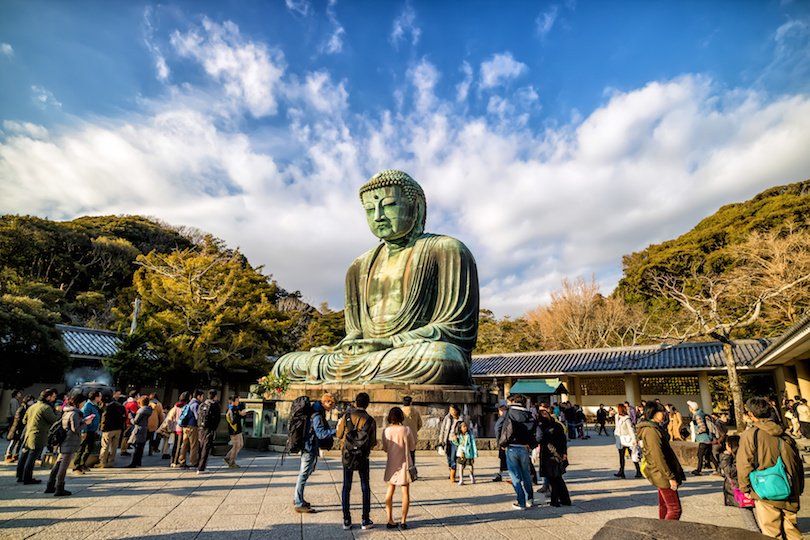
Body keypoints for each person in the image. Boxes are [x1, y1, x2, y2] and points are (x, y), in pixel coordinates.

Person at [272, 170, 480, 386]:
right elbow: (356, 331)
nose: (378, 216)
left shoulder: (447, 250)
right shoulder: (358, 266)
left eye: (389, 205)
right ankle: (362, 375)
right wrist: (348, 344)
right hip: (370, 357)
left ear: (416, 207)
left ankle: (366, 375)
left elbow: (456, 328)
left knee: (440, 359)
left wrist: (389, 342)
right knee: (285, 364)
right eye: (370, 209)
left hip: (412, 352)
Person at [737, 396, 804, 539]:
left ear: (751, 414)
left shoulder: (750, 435)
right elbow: (797, 463)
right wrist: (799, 487)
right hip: (790, 487)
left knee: (771, 533)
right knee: (792, 530)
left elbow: (744, 464)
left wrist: (745, 488)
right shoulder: (784, 434)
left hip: (765, 490)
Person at [636, 401, 684, 521]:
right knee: (675, 509)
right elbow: (658, 456)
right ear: (653, 413)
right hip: (662, 473)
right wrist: (670, 477)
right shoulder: (652, 431)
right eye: (661, 412)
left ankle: (661, 530)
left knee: (665, 506)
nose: (664, 414)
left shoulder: (653, 428)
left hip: (659, 472)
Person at [336, 392, 377, 530]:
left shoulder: (346, 416)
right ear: (367, 404)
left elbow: (339, 434)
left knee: (346, 486)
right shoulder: (370, 420)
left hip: (347, 455)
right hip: (363, 456)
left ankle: (346, 519)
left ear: (355, 402)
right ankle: (365, 519)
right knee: (365, 485)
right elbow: (372, 442)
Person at [294, 393, 337, 513]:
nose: (332, 407)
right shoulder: (317, 414)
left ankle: (298, 498)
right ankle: (298, 502)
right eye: (331, 404)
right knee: (303, 473)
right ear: (327, 402)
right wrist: (336, 431)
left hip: (310, 445)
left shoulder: (317, 410)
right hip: (309, 446)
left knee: (307, 472)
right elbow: (320, 433)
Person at [496, 394, 538, 510]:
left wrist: (500, 443)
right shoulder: (529, 414)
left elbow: (498, 426)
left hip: (511, 447)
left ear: (514, 401)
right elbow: (536, 431)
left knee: (515, 476)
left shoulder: (509, 413)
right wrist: (532, 445)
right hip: (525, 447)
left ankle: (521, 501)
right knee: (526, 474)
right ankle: (530, 498)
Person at [45, 393, 89, 497]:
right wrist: (86, 422)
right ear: (79, 402)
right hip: (70, 442)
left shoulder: (67, 412)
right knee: (63, 467)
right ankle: (59, 488)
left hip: (65, 441)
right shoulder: (74, 413)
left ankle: (50, 485)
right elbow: (75, 429)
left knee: (58, 464)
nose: (84, 404)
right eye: (83, 401)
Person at [382, 406, 416, 530]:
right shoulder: (406, 430)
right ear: (401, 417)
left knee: (390, 491)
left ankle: (390, 519)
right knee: (405, 492)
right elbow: (412, 447)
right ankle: (403, 520)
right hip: (405, 464)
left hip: (391, 464)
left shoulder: (386, 431)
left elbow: (385, 448)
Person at [16, 389, 58, 484]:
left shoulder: (33, 406)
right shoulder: (45, 408)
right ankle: (27, 478)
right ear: (48, 397)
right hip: (38, 436)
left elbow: (24, 420)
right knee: (31, 457)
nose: (54, 399)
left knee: (24, 455)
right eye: (53, 397)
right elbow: (54, 420)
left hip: (28, 434)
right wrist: (58, 411)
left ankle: (20, 476)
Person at [538, 409, 570, 507]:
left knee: (553, 478)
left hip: (549, 455)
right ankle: (565, 499)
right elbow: (564, 440)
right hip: (559, 453)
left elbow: (542, 440)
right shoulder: (557, 425)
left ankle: (555, 500)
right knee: (558, 478)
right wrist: (564, 453)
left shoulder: (543, 427)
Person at [73, 390, 101, 473]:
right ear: (95, 397)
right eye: (99, 396)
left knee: (89, 448)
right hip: (86, 431)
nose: (101, 397)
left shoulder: (95, 405)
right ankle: (77, 466)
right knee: (81, 448)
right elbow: (84, 418)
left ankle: (82, 464)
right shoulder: (88, 406)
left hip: (92, 431)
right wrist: (84, 431)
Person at [688, 400, 716, 475]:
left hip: (704, 438)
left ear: (692, 408)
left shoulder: (697, 416)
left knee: (700, 454)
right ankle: (718, 467)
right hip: (708, 438)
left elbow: (702, 427)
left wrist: (696, 432)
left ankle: (698, 470)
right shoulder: (701, 414)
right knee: (709, 454)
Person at [438, 404, 465, 482]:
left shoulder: (461, 419)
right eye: (450, 410)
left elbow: (464, 430)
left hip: (455, 441)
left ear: (456, 410)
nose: (451, 412)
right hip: (447, 440)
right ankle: (451, 472)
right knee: (449, 458)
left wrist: (458, 436)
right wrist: (441, 440)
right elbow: (442, 429)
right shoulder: (447, 418)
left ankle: (453, 476)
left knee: (453, 458)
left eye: (453, 410)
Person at [97, 393, 126, 468]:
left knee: (105, 446)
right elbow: (124, 417)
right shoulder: (120, 406)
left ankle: (102, 462)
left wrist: (102, 428)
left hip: (108, 429)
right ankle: (111, 461)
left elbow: (104, 418)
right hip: (118, 429)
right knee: (114, 446)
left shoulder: (107, 407)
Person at [614, 403, 641, 479]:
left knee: (633, 455)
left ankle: (638, 471)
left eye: (616, 408)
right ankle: (621, 471)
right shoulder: (617, 417)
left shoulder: (626, 418)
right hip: (620, 439)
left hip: (628, 439)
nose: (615, 409)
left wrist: (634, 440)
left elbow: (631, 429)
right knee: (621, 456)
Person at [197, 389, 221, 474]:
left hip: (201, 428)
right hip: (209, 428)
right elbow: (217, 418)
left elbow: (198, 416)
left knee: (200, 446)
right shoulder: (215, 405)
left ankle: (198, 464)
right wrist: (214, 428)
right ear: (215, 396)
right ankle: (202, 467)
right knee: (206, 447)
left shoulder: (202, 404)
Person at [178, 389, 204, 468]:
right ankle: (194, 461)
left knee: (185, 444)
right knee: (194, 445)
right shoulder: (196, 405)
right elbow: (197, 417)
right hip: (193, 427)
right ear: (198, 396)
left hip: (185, 427)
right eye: (202, 396)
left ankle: (181, 461)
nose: (203, 398)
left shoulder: (189, 403)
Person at [126, 396, 152, 468]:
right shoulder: (149, 410)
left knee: (137, 447)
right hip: (144, 429)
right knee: (141, 447)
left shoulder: (141, 410)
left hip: (139, 429)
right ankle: (138, 461)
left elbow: (135, 421)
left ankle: (134, 462)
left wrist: (131, 418)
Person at [5, 394, 32, 463]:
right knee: (13, 442)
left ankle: (15, 455)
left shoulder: (27, 408)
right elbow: (17, 420)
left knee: (19, 443)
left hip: (21, 428)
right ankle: (8, 455)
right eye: (30, 400)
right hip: (17, 428)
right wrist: (16, 428)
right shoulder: (22, 408)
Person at [719, 435, 743, 507]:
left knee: (746, 511)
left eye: (726, 444)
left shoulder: (738, 458)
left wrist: (725, 457)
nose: (725, 446)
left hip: (738, 489)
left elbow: (729, 472)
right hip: (736, 488)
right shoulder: (733, 457)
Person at [224, 394, 247, 468]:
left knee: (240, 445)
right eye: (237, 400)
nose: (238, 402)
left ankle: (228, 457)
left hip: (238, 429)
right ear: (233, 401)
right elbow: (233, 421)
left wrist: (241, 414)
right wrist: (240, 414)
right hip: (234, 430)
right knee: (236, 445)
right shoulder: (231, 410)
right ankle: (232, 462)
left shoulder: (236, 408)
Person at [168, 392, 189, 468]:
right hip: (182, 428)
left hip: (176, 428)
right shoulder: (186, 406)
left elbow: (171, 416)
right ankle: (177, 461)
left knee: (175, 445)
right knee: (180, 446)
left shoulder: (176, 406)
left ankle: (173, 460)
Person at [455, 421, 478, 485]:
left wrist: (475, 453)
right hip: (461, 453)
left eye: (466, 426)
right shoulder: (458, 435)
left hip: (469, 453)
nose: (465, 428)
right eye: (463, 426)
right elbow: (457, 443)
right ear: (460, 428)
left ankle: (471, 475)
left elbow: (473, 444)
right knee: (461, 466)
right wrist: (454, 440)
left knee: (470, 466)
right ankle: (461, 479)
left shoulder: (470, 434)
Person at [401, 396, 422, 466]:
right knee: (412, 454)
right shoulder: (416, 412)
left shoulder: (400, 412)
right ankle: (412, 472)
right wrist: (415, 430)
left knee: (402, 455)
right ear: (411, 402)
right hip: (413, 436)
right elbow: (420, 424)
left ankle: (404, 472)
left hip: (402, 436)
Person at [492, 404, 509, 483]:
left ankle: (502, 474)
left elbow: (497, 428)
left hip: (504, 440)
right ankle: (501, 474)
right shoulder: (510, 416)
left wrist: (499, 441)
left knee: (504, 458)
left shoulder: (503, 417)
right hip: (509, 440)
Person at [120, 391, 139, 456]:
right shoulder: (133, 404)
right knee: (126, 436)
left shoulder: (127, 402)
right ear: (135, 396)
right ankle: (123, 450)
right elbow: (135, 413)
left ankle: (124, 449)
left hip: (127, 421)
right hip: (129, 422)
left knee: (126, 436)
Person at [711, 411, 730, 475]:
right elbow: (722, 434)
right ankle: (719, 469)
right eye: (724, 416)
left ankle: (721, 469)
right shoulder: (718, 424)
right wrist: (719, 440)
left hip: (721, 442)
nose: (726, 418)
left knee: (721, 456)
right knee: (717, 456)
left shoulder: (722, 423)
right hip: (718, 442)